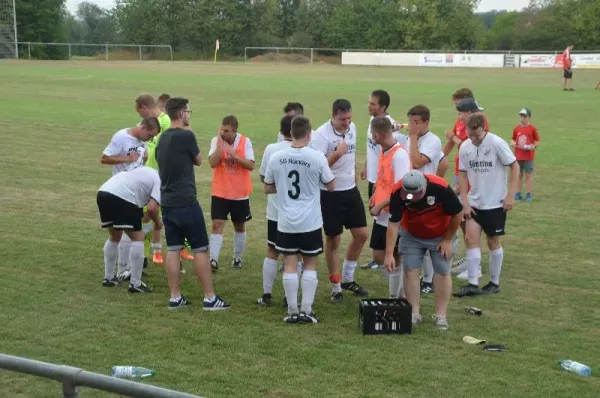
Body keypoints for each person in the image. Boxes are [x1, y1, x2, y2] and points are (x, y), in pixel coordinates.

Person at [155, 97, 231, 310]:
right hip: (186, 201)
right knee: (200, 249)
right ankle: (209, 297)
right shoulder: (186, 135)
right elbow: (198, 160)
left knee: (173, 248)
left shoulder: (163, 138)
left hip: (167, 201)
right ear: (182, 114)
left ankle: (175, 296)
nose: (189, 115)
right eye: (188, 112)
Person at [264, 116, 336, 323]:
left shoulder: (277, 156)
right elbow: (330, 185)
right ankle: (307, 310)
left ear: (290, 133)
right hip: (310, 222)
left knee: (289, 264)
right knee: (310, 264)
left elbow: (268, 187)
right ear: (309, 134)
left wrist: (284, 189)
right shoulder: (317, 157)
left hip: (286, 221)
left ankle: (292, 311)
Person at [384, 170, 463, 330]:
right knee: (410, 270)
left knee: (442, 271)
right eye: (408, 194)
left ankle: (441, 315)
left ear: (424, 187)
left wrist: (447, 239)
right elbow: (393, 224)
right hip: (412, 235)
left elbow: (457, 213)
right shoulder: (398, 191)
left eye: (416, 194)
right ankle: (414, 312)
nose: (411, 197)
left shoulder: (440, 187)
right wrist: (388, 254)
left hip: (440, 234)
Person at [309, 99, 369, 303]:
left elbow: (351, 157)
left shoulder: (352, 128)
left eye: (349, 118)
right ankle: (336, 286)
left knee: (361, 234)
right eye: (343, 119)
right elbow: (318, 168)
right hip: (329, 193)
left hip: (350, 190)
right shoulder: (320, 136)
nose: (347, 122)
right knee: (333, 239)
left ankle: (348, 278)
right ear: (333, 116)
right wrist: (336, 154)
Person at [454, 113, 520, 298]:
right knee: (470, 238)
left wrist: (510, 195)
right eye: (471, 134)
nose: (474, 139)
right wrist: (465, 203)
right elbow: (463, 175)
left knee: (493, 242)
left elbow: (515, 166)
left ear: (485, 129)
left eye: (478, 135)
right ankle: (473, 283)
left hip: (495, 204)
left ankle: (494, 282)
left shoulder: (497, 143)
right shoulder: (465, 147)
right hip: (475, 203)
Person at [100, 117, 160, 281]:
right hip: (122, 191)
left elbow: (139, 163)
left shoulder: (143, 141)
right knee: (130, 234)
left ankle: (118, 272)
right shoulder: (121, 137)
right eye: (150, 135)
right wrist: (127, 158)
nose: (151, 139)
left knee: (123, 233)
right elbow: (104, 158)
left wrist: (144, 158)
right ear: (143, 128)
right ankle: (127, 274)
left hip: (133, 191)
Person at [257, 114, 303, 306]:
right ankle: (288, 297)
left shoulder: (271, 149)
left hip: (276, 211)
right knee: (297, 255)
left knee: (272, 250)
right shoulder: (305, 151)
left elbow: (263, 178)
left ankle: (267, 295)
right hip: (299, 213)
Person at [359, 90, 407, 270]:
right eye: (369, 102)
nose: (369, 106)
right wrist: (366, 164)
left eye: (373, 104)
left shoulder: (389, 125)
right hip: (375, 178)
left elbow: (402, 130)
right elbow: (374, 149)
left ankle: (388, 254)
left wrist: (399, 126)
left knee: (386, 216)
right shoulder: (373, 122)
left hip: (387, 183)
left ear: (383, 107)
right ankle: (382, 252)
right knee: (377, 214)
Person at [96, 166, 162, 293]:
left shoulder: (146, 173)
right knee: (138, 237)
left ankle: (109, 278)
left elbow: (143, 217)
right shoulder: (160, 181)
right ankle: (135, 284)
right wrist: (158, 223)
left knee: (115, 236)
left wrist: (152, 220)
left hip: (103, 192)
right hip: (122, 197)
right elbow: (152, 209)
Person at [367, 117, 411, 298]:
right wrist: (375, 193)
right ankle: (400, 291)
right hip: (382, 215)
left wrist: (380, 205)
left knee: (391, 255)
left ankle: (398, 295)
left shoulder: (399, 155)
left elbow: (402, 189)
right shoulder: (383, 150)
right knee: (380, 255)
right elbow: (384, 178)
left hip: (393, 215)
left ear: (377, 135)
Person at [448, 97, 490, 280]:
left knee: (467, 221)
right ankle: (470, 259)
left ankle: (476, 266)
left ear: (470, 113)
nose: (458, 116)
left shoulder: (477, 130)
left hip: (468, 182)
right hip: (461, 176)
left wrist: (461, 186)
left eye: (460, 113)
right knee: (464, 223)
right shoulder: (462, 125)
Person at [208, 115, 255, 271]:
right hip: (220, 192)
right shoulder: (216, 141)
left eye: (226, 131)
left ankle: (237, 257)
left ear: (235, 131)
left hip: (239, 193)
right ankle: (213, 260)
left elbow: (250, 165)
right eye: (222, 129)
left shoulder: (245, 142)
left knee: (239, 226)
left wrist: (234, 154)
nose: (223, 133)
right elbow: (212, 163)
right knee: (216, 224)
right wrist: (220, 148)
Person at [134, 94, 175, 266]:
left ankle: (175, 255)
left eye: (139, 112)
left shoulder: (167, 123)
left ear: (144, 107)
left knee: (169, 216)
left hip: (163, 178)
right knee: (144, 216)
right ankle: (142, 257)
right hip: (145, 177)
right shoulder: (143, 126)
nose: (139, 116)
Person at [405, 105, 442, 295]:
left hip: (427, 195)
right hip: (409, 193)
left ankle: (428, 280)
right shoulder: (408, 139)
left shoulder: (432, 141)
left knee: (427, 238)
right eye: (410, 122)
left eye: (416, 123)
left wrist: (411, 137)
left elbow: (417, 162)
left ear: (426, 123)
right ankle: (415, 274)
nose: (412, 126)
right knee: (413, 236)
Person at [511, 108, 540, 202]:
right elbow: (513, 139)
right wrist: (513, 143)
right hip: (518, 156)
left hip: (528, 156)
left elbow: (537, 140)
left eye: (525, 116)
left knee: (528, 175)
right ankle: (518, 193)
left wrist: (533, 146)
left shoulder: (533, 129)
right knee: (519, 175)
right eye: (521, 116)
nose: (522, 118)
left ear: (529, 117)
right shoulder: (516, 129)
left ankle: (528, 193)